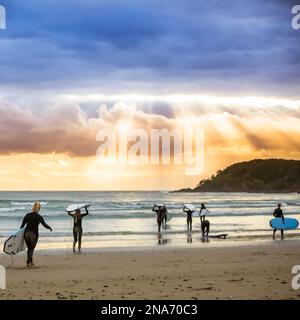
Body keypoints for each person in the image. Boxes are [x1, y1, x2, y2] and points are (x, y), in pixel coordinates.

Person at [20, 202, 52, 267]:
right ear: (39, 208)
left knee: (29, 248)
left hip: (26, 234)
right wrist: (49, 228)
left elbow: (22, 226)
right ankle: (28, 261)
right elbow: (44, 224)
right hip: (34, 235)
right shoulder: (39, 217)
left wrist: (17, 234)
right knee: (31, 248)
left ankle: (30, 261)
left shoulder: (27, 215)